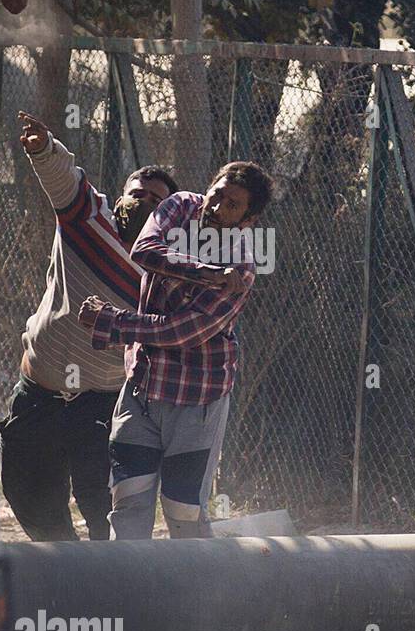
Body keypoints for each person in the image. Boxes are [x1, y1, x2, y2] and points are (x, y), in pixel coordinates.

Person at [0, 110, 190, 541]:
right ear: (119, 198)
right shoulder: (88, 218)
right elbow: (65, 178)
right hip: (39, 392)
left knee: (103, 512)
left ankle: (107, 591)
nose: (144, 202)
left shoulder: (169, 269)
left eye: (157, 200)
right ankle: (65, 576)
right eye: (136, 193)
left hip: (101, 404)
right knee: (29, 496)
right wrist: (44, 148)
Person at [78, 161, 273, 539]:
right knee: (128, 506)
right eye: (217, 194)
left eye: (232, 205)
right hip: (140, 391)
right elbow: (144, 251)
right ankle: (130, 595)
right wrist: (207, 272)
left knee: (183, 513)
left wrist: (113, 321)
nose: (216, 208)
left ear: (247, 220)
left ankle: (197, 598)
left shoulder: (242, 265)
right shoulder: (180, 206)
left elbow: (183, 333)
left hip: (196, 401)